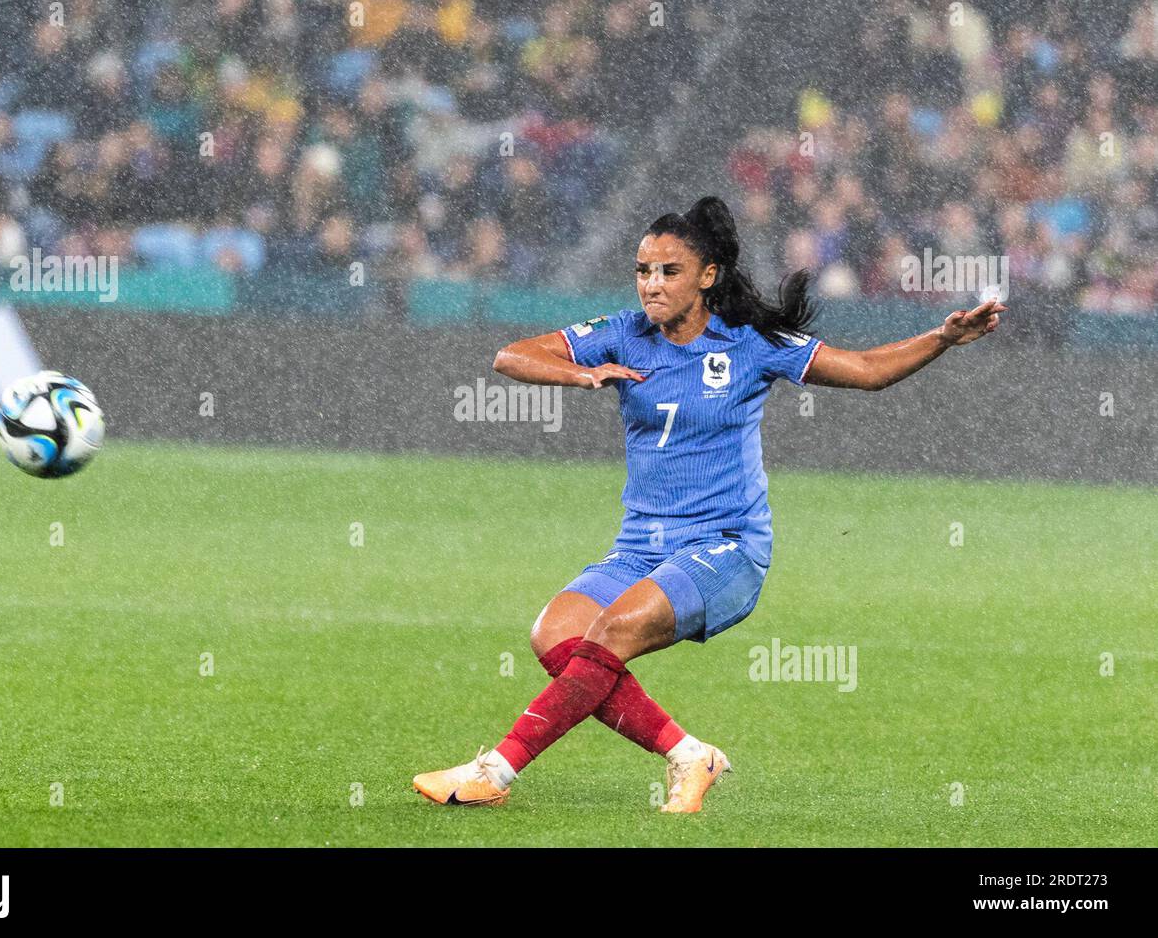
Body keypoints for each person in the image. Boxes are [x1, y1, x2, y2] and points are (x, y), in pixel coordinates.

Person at [414, 196, 1007, 812]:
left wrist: (942, 337)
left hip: (725, 549)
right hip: (640, 546)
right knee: (553, 633)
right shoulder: (623, 333)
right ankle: (688, 755)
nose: (651, 284)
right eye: (643, 270)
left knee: (609, 632)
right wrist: (581, 374)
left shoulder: (751, 343)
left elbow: (865, 369)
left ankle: (495, 772)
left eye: (668, 271)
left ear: (707, 276)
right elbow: (510, 355)